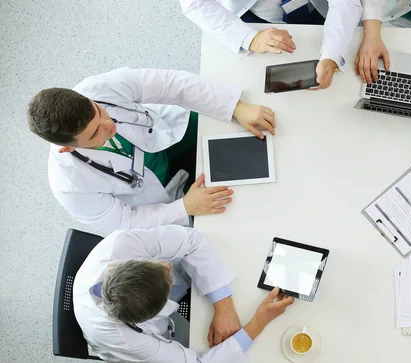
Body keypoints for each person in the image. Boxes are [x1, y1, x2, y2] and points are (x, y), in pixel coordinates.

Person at [28, 67, 276, 235]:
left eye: (99, 111)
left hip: (166, 134)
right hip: (163, 195)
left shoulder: (99, 87)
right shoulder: (70, 185)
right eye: (95, 134)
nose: (109, 125)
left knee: (247, 134)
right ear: (66, 148)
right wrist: (183, 208)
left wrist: (235, 107)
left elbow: (173, 85)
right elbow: (125, 222)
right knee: (240, 217)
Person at [73, 225, 295, 362]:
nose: (168, 267)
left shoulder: (120, 245)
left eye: (159, 264)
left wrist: (223, 305)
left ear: (116, 267)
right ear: (153, 315)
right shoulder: (127, 339)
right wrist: (259, 322)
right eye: (168, 281)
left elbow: (191, 240)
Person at [179, 0, 362, 89]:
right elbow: (195, 4)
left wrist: (332, 54)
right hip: (252, 14)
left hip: (316, 8)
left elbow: (345, 3)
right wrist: (249, 38)